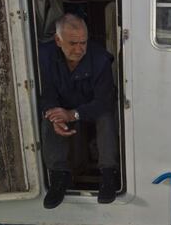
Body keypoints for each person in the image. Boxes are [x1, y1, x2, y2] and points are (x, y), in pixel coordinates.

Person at [39, 13, 118, 209]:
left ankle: (108, 174)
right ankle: (59, 176)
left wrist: (73, 114)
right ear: (58, 40)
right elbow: (45, 92)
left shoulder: (100, 59)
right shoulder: (44, 56)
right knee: (50, 116)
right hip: (64, 107)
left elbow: (104, 101)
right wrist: (54, 114)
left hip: (92, 110)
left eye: (83, 42)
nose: (79, 48)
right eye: (73, 43)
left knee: (106, 117)